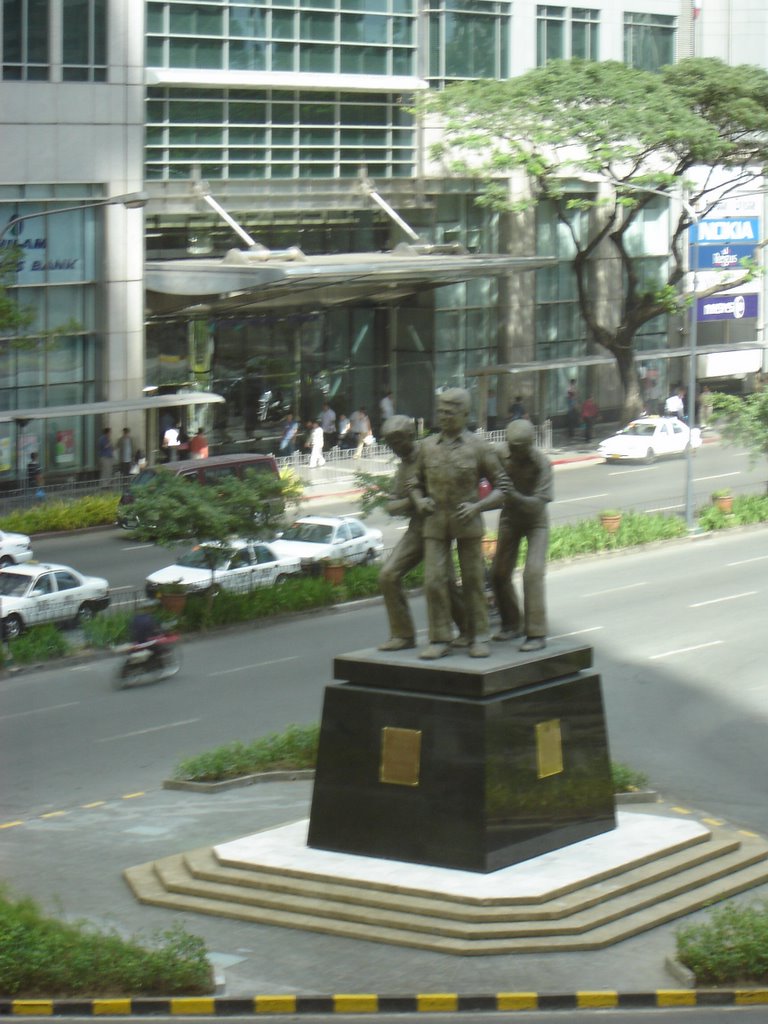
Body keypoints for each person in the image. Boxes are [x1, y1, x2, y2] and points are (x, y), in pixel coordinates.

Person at [411, 388, 509, 660]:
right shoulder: (427, 447)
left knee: (473, 581)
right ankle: (440, 638)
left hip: (468, 522)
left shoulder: (479, 447)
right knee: (434, 581)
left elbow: (502, 487)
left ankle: (479, 636)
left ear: (465, 414)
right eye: (441, 411)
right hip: (435, 523)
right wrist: (419, 500)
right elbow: (414, 483)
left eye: (450, 412)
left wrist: (478, 506)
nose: (443, 416)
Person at [377, 416, 464, 651]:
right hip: (417, 529)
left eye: (397, 441)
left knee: (444, 583)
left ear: (410, 435)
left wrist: (418, 498)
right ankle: (403, 635)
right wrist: (413, 501)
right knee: (388, 575)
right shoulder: (403, 467)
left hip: (440, 526)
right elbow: (391, 506)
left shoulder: (431, 452)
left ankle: (468, 630)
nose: (393, 448)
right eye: (389, 444)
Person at [491, 419, 553, 653]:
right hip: (510, 518)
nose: (516, 453)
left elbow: (537, 504)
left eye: (521, 448)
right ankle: (511, 624)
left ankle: (536, 633)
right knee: (499, 573)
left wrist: (513, 494)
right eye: (512, 447)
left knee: (533, 574)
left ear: (531, 444)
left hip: (535, 521)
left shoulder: (542, 464)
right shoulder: (499, 454)